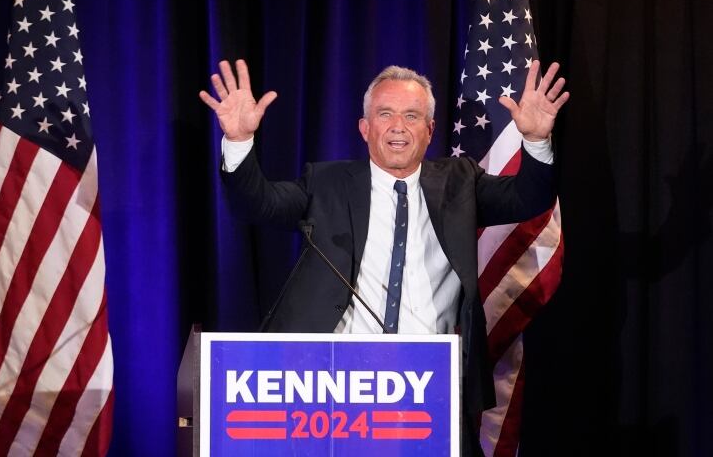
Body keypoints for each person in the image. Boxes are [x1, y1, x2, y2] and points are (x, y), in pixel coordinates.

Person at [199, 59, 568, 455]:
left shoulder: (460, 182)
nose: (397, 126)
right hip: (334, 383)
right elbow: (259, 204)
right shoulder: (327, 183)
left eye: (412, 116)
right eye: (385, 114)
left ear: (429, 131)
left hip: (429, 382)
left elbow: (528, 197)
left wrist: (535, 142)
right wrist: (238, 143)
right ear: (365, 128)